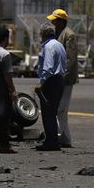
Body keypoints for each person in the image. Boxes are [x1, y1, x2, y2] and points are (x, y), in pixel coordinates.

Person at [46, 9, 78, 148]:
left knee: (61, 109)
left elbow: (70, 58)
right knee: (60, 109)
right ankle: (64, 138)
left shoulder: (69, 35)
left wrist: (63, 75)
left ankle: (62, 138)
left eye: (55, 20)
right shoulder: (58, 33)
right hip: (58, 76)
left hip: (65, 78)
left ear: (61, 21)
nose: (52, 22)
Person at [34, 22, 67, 151]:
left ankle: (51, 142)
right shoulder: (59, 45)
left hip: (50, 82)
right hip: (59, 81)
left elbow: (48, 68)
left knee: (48, 113)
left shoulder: (48, 47)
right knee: (52, 113)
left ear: (43, 34)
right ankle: (53, 140)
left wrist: (40, 84)